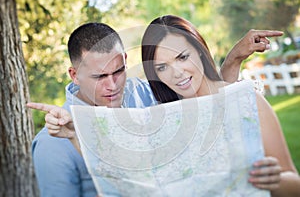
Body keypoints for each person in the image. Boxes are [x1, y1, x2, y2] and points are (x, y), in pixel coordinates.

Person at [27, 21, 284, 197]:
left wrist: (232, 61)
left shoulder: (146, 93)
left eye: (118, 71)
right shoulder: (52, 144)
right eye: (99, 77)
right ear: (74, 74)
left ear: (126, 60)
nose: (112, 85)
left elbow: (205, 101)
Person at [140, 15, 300, 196]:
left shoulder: (247, 101)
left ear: (199, 49)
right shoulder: (161, 121)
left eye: (183, 57)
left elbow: (295, 185)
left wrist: (276, 181)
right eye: (162, 67)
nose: (176, 73)